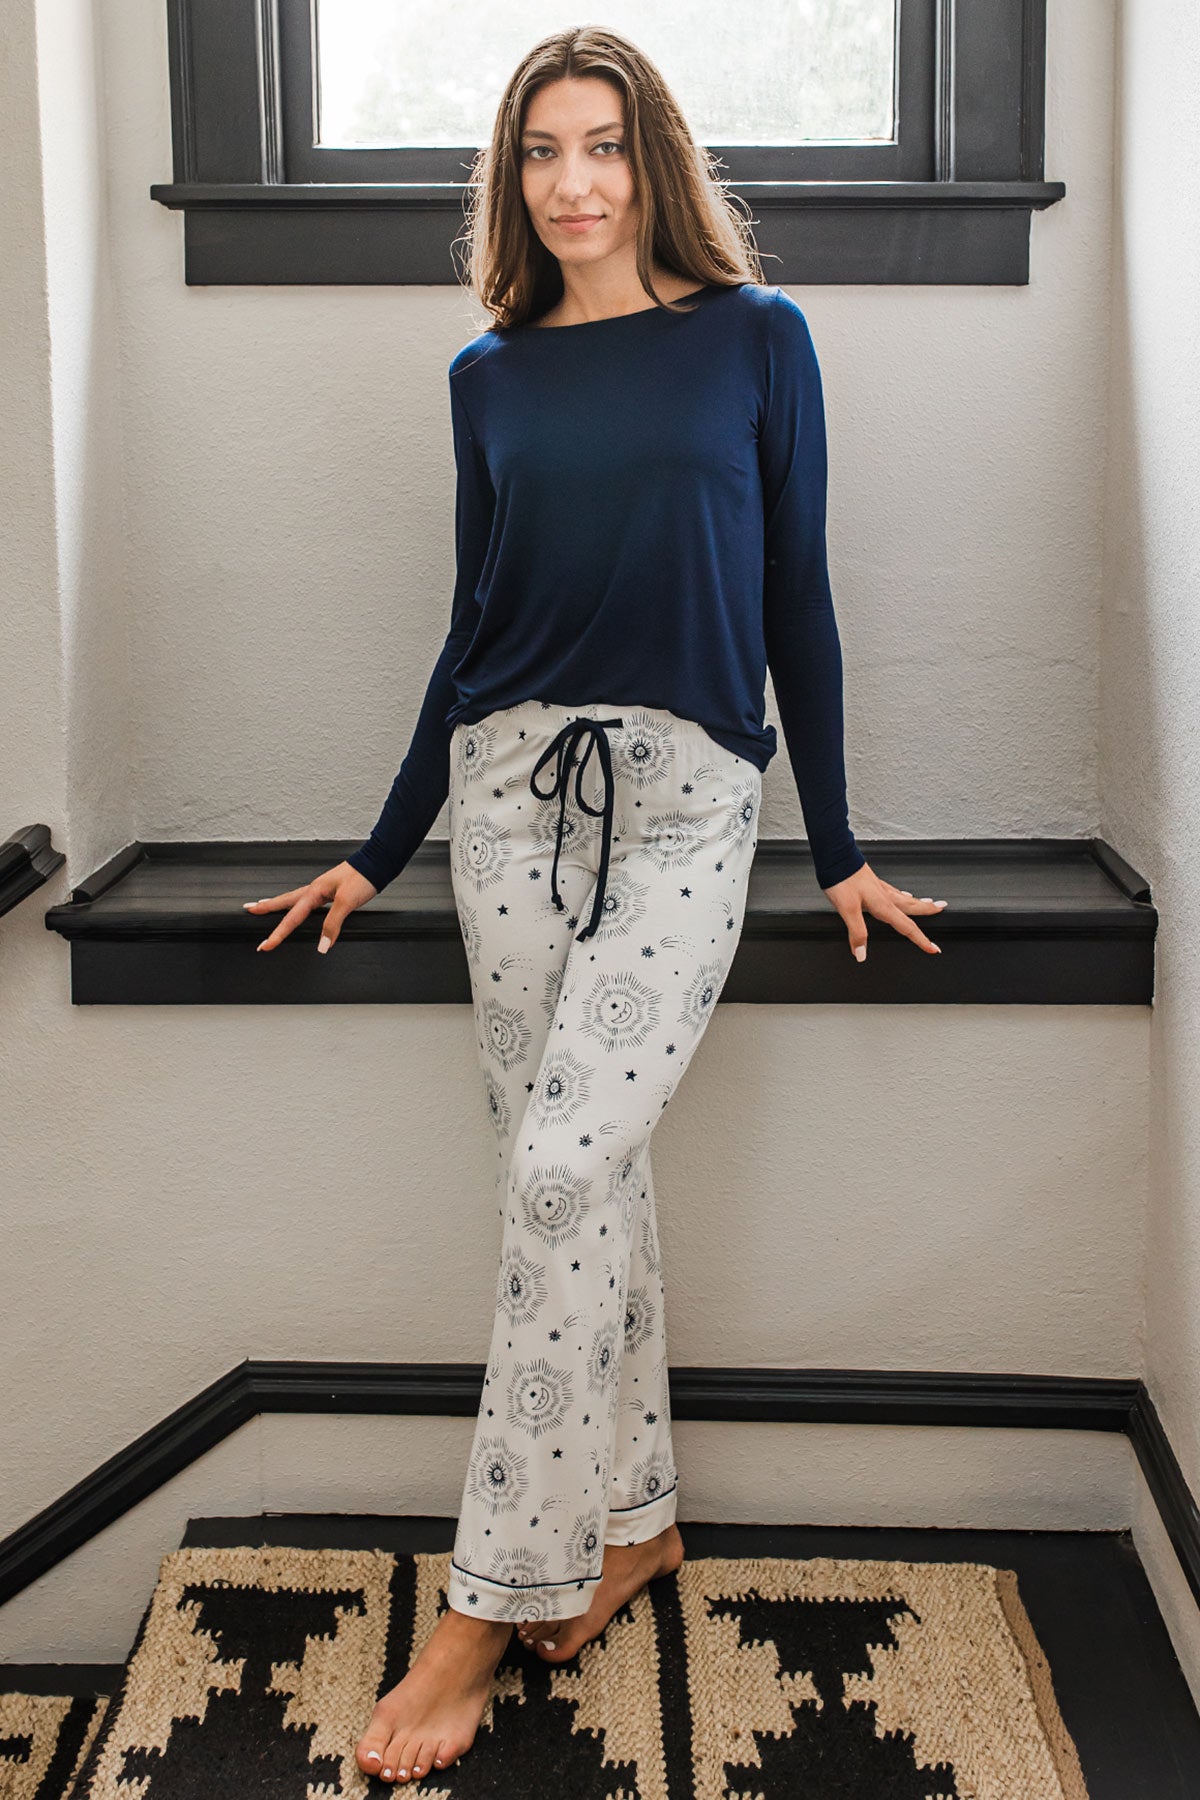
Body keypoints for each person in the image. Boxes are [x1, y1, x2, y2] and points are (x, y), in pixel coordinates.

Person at [244, 25, 948, 1786]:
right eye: (543, 150)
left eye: (604, 145)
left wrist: (841, 838)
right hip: (507, 808)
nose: (574, 181)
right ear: (511, 176)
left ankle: (485, 1601)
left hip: (695, 804)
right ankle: (632, 1528)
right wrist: (384, 844)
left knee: (564, 1166)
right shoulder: (489, 376)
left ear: (655, 163)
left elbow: (802, 601)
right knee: (576, 1177)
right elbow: (472, 635)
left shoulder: (757, 341)